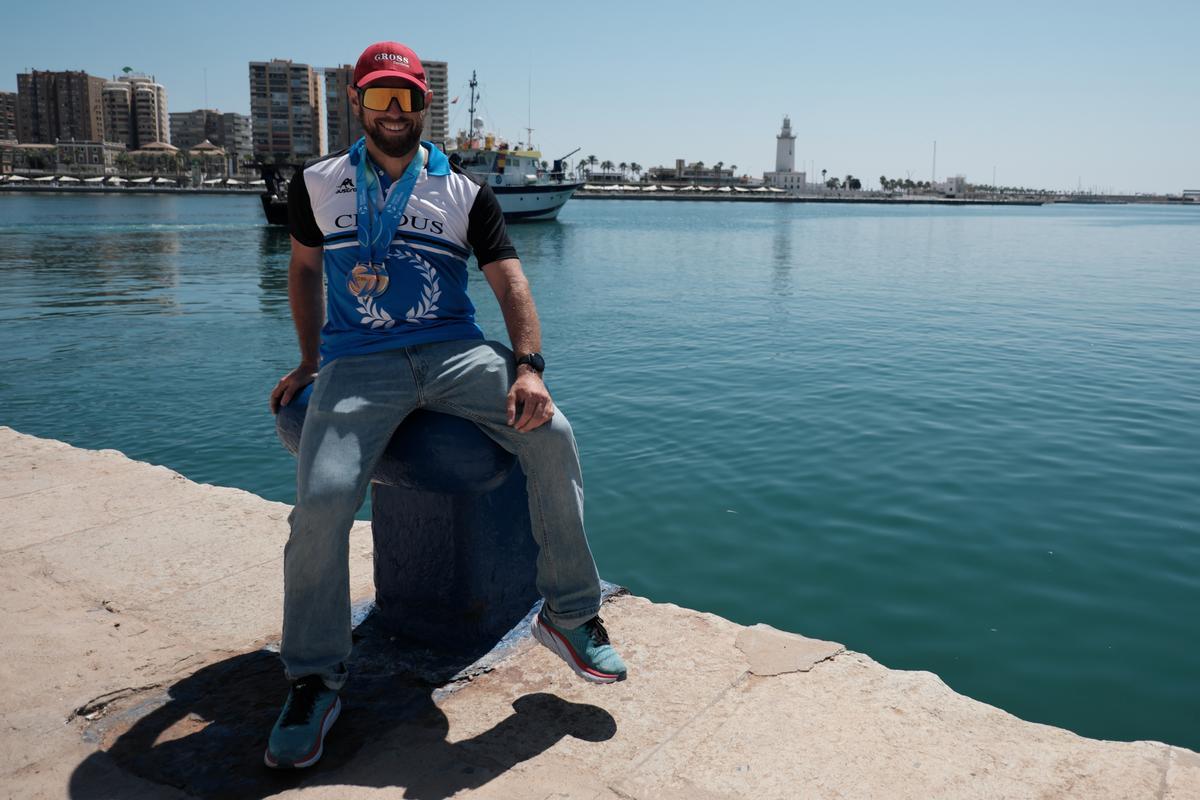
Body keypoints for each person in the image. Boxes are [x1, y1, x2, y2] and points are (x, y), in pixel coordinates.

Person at [263, 41, 626, 770]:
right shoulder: (318, 183)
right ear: (357, 103)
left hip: (456, 353)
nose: (393, 112)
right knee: (324, 502)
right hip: (357, 365)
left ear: (424, 107)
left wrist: (528, 368)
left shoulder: (462, 190)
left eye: (406, 98)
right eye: (379, 97)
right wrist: (309, 359)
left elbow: (511, 282)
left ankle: (569, 614)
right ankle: (314, 678)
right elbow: (303, 271)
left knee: (552, 433)